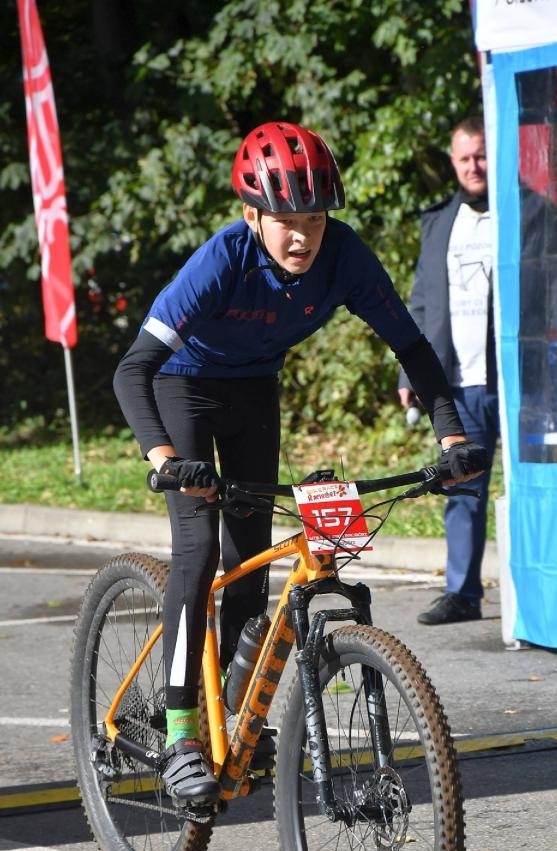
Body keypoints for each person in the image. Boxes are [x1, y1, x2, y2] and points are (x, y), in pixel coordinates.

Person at [113, 120, 486, 814]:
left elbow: (412, 346)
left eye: (312, 218)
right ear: (252, 216)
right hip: (182, 385)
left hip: (255, 389)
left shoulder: (344, 257)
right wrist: (165, 458)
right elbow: (133, 370)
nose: (301, 236)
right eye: (284, 221)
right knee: (197, 549)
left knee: (251, 564)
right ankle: (179, 734)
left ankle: (225, 712)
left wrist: (449, 436)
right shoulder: (221, 261)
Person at [398, 116, 499, 625]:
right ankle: (462, 593)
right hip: (458, 383)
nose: (474, 166)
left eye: (481, 155)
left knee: (531, 490)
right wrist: (407, 376)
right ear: (453, 161)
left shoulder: (527, 212)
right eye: (464, 158)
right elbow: (418, 305)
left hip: (519, 379)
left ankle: (545, 591)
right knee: (462, 484)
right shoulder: (438, 223)